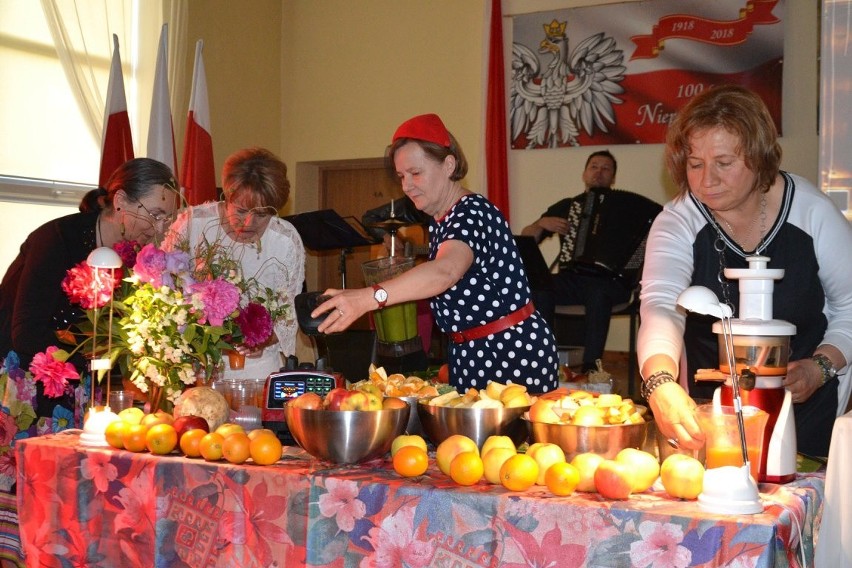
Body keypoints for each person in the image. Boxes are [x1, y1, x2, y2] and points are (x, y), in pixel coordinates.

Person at [637, 84, 852, 458]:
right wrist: (660, 383)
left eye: (724, 163)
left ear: (760, 157)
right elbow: (661, 307)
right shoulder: (677, 219)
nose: (707, 180)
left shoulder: (813, 213)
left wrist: (820, 367)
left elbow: (850, 305)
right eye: (695, 164)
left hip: (807, 405)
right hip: (712, 414)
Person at [312, 113, 558, 392]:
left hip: (509, 353)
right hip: (473, 354)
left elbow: (446, 271)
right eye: (402, 176)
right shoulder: (442, 219)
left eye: (416, 173)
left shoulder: (471, 212)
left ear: (449, 164)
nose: (406, 186)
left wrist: (369, 298)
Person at [0, 157, 179, 417]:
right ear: (120, 202)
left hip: (81, 385)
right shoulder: (56, 240)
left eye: (168, 219)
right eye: (155, 215)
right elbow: (26, 332)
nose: (160, 229)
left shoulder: (134, 256)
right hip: (24, 385)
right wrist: (98, 359)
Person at [163, 147, 305, 383]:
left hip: (258, 369)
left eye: (261, 214)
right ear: (227, 197)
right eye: (240, 210)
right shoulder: (193, 225)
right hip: (197, 367)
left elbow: (288, 312)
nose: (249, 222)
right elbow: (165, 290)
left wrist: (264, 339)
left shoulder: (285, 240)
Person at [520, 150, 631, 373]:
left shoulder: (627, 208)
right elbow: (526, 238)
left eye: (605, 168)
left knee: (597, 292)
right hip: (573, 279)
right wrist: (542, 223)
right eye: (594, 167)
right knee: (538, 286)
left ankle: (591, 368)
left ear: (613, 178)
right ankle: (544, 357)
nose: (599, 172)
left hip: (611, 283)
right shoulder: (567, 206)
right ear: (584, 173)